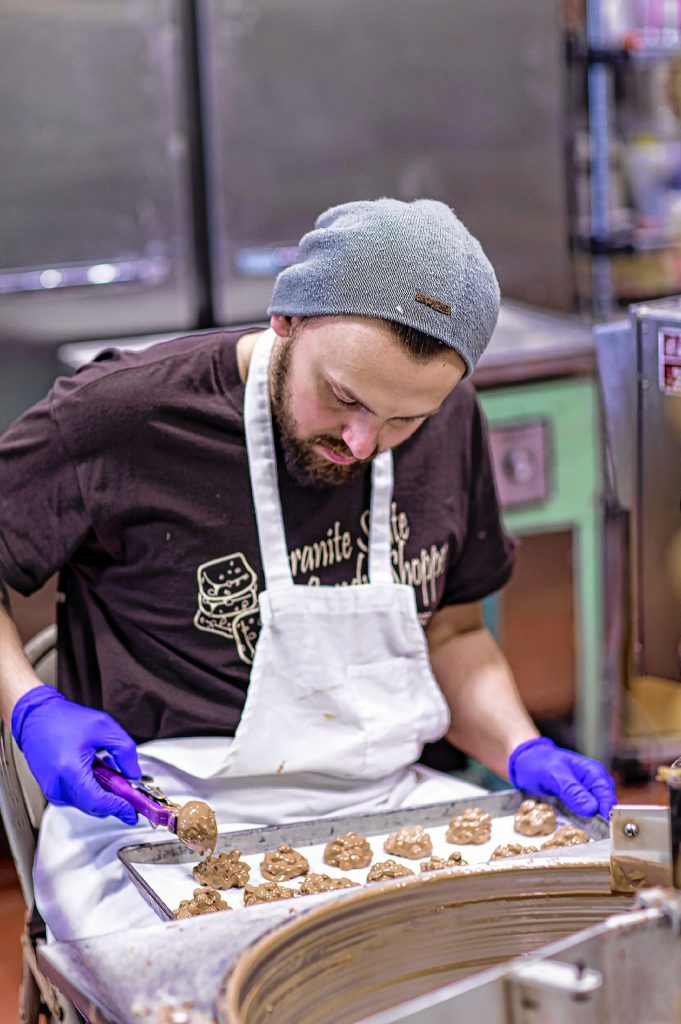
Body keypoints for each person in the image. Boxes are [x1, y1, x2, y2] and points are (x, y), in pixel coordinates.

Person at [0, 198, 616, 940]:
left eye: (402, 422)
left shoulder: (450, 420)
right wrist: (28, 705)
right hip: (156, 821)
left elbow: (452, 631)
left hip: (387, 804)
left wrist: (520, 746)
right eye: (341, 398)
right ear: (285, 320)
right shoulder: (122, 418)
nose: (362, 443)